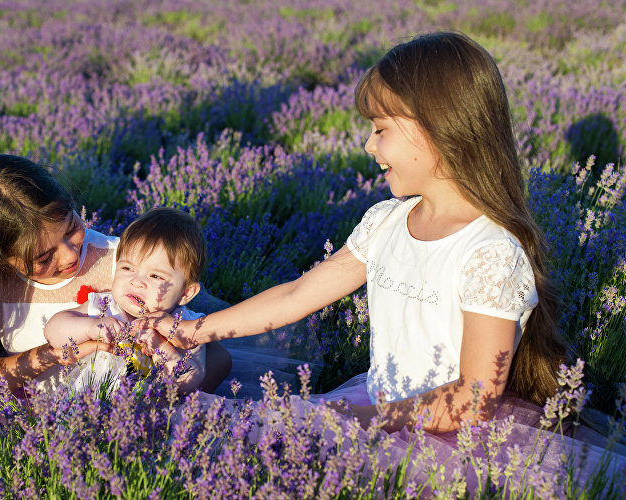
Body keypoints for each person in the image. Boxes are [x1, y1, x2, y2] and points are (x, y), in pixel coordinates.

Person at [142, 31, 565, 434]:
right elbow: (296, 296)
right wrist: (194, 331)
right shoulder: (387, 222)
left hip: (445, 434)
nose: (368, 145)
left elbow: (472, 401)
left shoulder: (489, 253)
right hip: (376, 404)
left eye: (381, 129)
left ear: (440, 129)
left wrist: (359, 418)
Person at [0, 154, 230, 399]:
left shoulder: (123, 264)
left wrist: (172, 399)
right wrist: (67, 351)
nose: (70, 254)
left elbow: (211, 355)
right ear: (0, 257)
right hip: (31, 405)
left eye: (71, 227)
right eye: (42, 256)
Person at [43, 207, 208, 394]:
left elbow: (189, 382)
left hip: (148, 414)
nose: (136, 282)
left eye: (155, 276)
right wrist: (90, 327)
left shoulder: (186, 326)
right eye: (127, 268)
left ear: (186, 293)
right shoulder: (105, 307)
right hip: (89, 403)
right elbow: (53, 333)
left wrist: (162, 349)